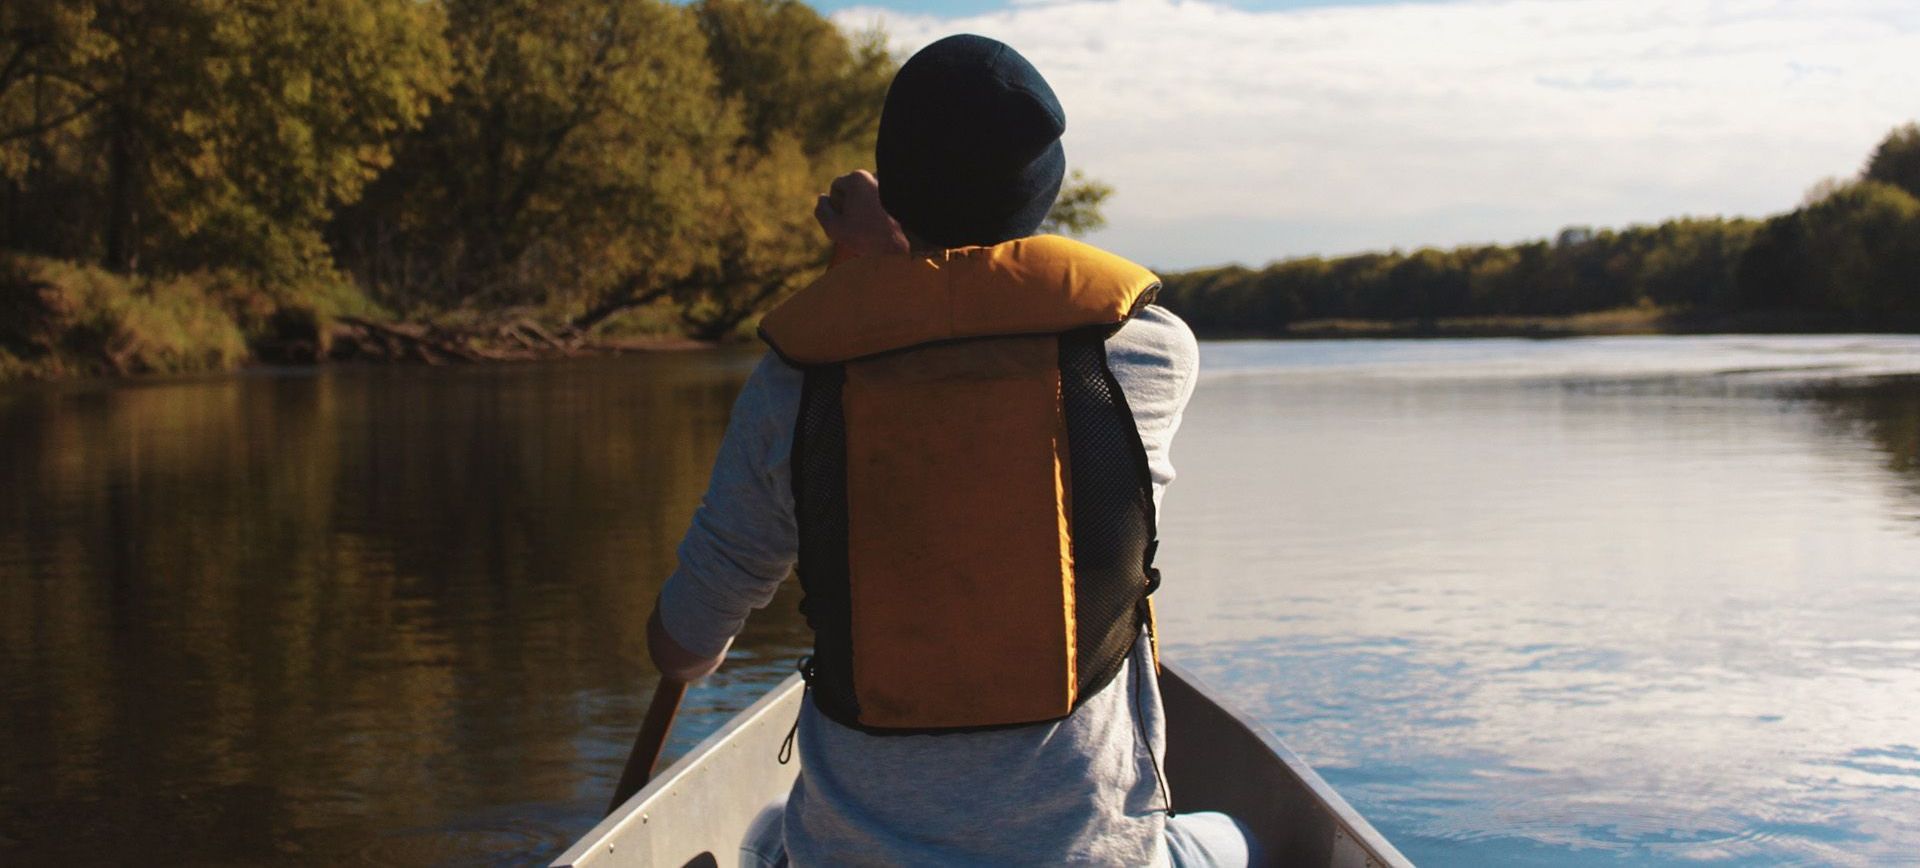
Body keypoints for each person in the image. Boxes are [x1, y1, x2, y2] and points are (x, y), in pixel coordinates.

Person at [646, 34, 1253, 867]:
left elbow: (682, 649)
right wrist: (897, 263)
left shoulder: (797, 384)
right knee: (1239, 836)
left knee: (763, 834)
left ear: (895, 189)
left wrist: (877, 269)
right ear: (1044, 188)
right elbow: (971, 328)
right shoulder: (1147, 354)